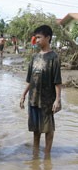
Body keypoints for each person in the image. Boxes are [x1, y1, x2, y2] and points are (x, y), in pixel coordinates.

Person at [20, 25, 62, 157]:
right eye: (35, 37)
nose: (36, 40)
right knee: (35, 128)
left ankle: (47, 155)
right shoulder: (34, 57)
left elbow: (57, 81)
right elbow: (29, 79)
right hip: (33, 98)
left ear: (48, 38)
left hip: (47, 100)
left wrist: (57, 99)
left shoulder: (54, 57)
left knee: (48, 128)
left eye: (39, 37)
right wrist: (23, 95)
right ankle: (35, 153)